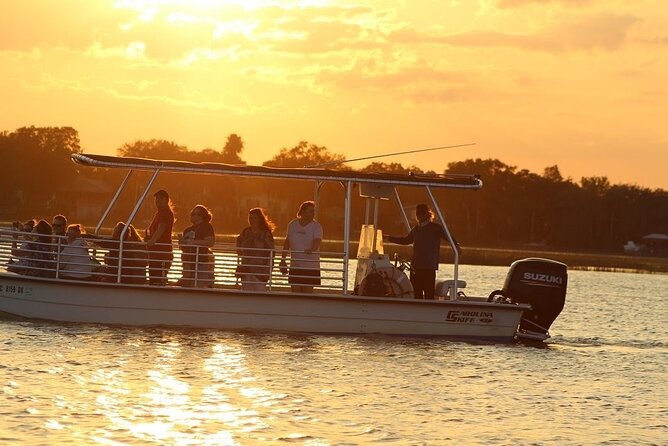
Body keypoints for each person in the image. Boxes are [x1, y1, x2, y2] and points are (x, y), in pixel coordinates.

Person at [383, 203, 460, 300]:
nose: (419, 216)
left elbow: (449, 237)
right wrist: (389, 238)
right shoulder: (416, 229)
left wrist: (456, 245)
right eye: (418, 214)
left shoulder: (436, 228)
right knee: (416, 294)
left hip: (429, 268)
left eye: (422, 213)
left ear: (428, 214)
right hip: (415, 268)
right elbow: (405, 240)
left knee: (429, 294)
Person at [279, 201, 322, 293]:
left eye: (313, 211)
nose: (313, 214)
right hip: (295, 266)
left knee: (307, 293)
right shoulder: (292, 225)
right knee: (295, 292)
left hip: (310, 267)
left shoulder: (316, 226)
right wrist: (283, 259)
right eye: (310, 211)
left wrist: (312, 249)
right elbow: (287, 242)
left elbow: (317, 241)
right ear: (302, 211)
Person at [236, 208, 275, 291]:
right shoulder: (246, 231)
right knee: (245, 292)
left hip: (260, 270)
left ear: (260, 219)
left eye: (254, 218)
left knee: (260, 292)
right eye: (250, 218)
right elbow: (238, 241)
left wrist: (269, 269)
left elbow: (271, 252)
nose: (252, 220)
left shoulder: (265, 233)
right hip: (246, 269)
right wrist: (239, 250)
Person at [178, 205, 215, 288]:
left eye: (194, 214)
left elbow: (210, 242)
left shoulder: (206, 226)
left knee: (199, 286)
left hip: (201, 262)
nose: (191, 216)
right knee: (186, 286)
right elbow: (184, 247)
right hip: (188, 263)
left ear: (201, 216)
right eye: (191, 214)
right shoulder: (187, 230)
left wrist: (193, 242)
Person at [145, 189, 174, 285]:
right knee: (153, 278)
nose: (157, 201)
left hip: (162, 253)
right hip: (155, 253)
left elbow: (162, 228)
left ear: (166, 200)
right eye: (156, 199)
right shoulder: (159, 213)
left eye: (160, 199)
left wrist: (152, 241)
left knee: (158, 280)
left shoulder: (165, 213)